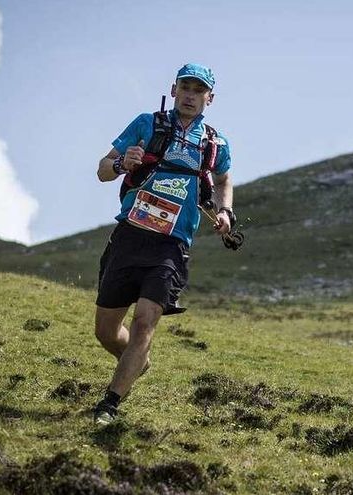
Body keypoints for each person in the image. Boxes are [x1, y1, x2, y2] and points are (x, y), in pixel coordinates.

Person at [92, 63, 234, 425]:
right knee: (106, 331)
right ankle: (138, 360)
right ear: (173, 91)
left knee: (144, 323)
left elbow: (222, 180)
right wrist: (123, 163)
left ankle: (108, 406)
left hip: (171, 246)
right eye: (185, 87)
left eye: (198, 90)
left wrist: (225, 211)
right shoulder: (146, 124)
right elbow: (102, 170)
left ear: (209, 98)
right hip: (130, 235)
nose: (190, 95)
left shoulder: (215, 142)